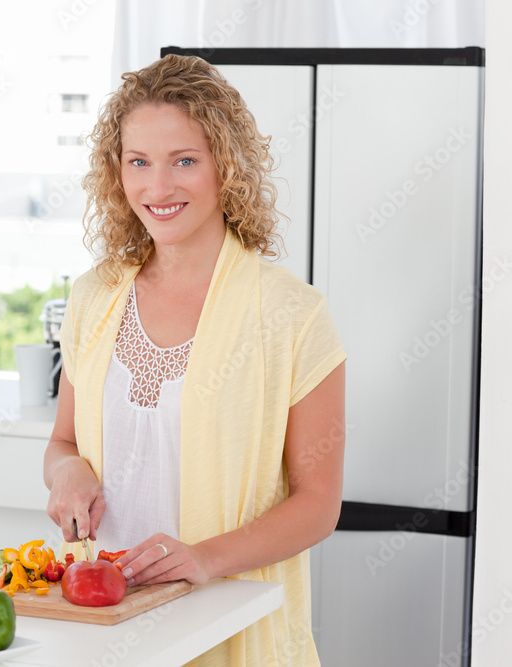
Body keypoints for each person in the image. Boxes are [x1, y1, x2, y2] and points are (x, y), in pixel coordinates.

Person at [43, 54, 346, 666]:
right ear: (117, 171)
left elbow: (319, 503)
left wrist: (204, 557)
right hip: (109, 621)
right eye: (139, 162)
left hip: (229, 631)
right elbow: (62, 443)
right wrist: (67, 473)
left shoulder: (293, 313)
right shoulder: (94, 297)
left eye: (184, 160)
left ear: (225, 166)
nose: (158, 188)